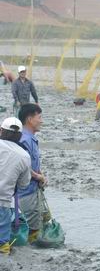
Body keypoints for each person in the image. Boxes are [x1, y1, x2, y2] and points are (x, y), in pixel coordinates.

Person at [16, 104, 47, 243]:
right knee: (30, 227)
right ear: (29, 119)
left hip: (33, 189)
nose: (42, 121)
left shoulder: (31, 138)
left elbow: (32, 162)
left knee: (38, 222)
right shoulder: (24, 140)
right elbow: (21, 165)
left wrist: (40, 173)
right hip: (26, 192)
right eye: (39, 117)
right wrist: (37, 176)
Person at [0, 117, 31, 255]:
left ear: (1, 130)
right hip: (4, 202)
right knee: (2, 244)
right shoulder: (24, 156)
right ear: (20, 136)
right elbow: (24, 184)